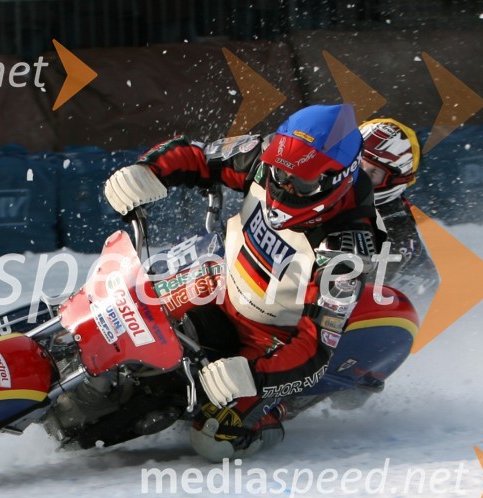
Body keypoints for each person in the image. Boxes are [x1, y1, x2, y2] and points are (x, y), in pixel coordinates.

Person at [101, 103, 389, 461]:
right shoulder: (266, 155)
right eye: (277, 171)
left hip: (268, 340)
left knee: (216, 439)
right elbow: (197, 155)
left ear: (338, 178)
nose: (281, 185)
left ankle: (275, 410)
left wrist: (256, 377)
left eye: (299, 181)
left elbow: (315, 350)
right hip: (218, 285)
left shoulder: (347, 252)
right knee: (117, 309)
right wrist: (149, 170)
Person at [359, 118, 439, 317]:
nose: (359, 178)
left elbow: (357, 292)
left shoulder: (397, 231)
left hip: (407, 308)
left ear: (394, 181)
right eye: (358, 164)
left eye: (373, 173)